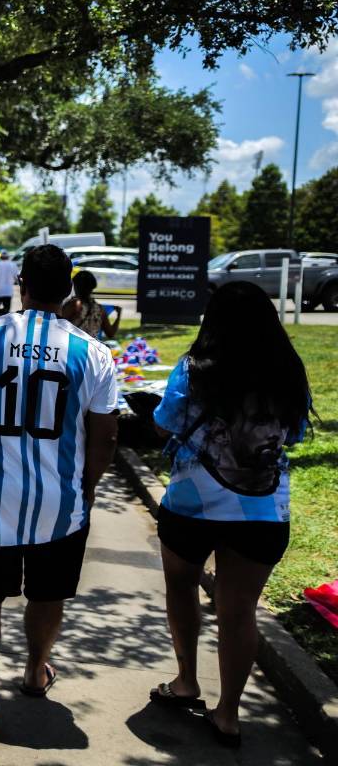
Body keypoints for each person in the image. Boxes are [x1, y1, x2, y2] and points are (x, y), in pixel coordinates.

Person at [0, 244, 120, 751]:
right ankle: (35, 671)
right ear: (68, 291)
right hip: (62, 505)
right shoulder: (92, 353)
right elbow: (105, 439)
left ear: (23, 286)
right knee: (47, 593)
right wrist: (90, 488)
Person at [148, 281, 312, 749]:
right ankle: (229, 713)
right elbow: (296, 434)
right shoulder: (288, 373)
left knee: (181, 588)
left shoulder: (194, 369)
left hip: (191, 507)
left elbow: (166, 421)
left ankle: (186, 681)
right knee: (238, 610)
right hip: (263, 513)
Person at [61, 270, 121, 339]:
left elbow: (58, 325)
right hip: (90, 348)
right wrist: (118, 316)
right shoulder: (99, 309)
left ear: (76, 285)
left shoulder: (74, 304)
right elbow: (110, 334)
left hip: (72, 346)